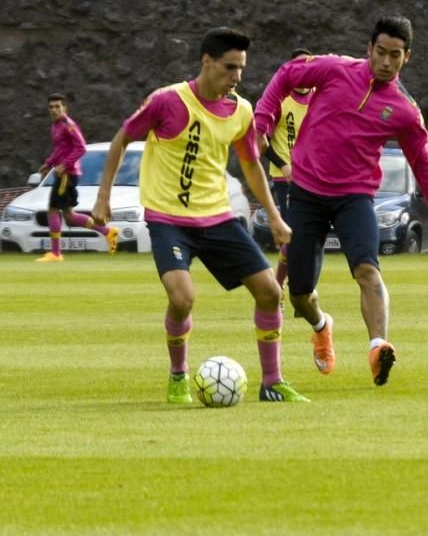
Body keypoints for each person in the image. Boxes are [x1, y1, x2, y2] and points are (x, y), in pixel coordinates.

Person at [91, 27, 310, 405]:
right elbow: (122, 138)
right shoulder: (166, 101)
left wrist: (274, 217)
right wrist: (102, 198)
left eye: (241, 68)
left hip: (218, 218)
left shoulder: (240, 111)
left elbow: (252, 165)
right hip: (168, 219)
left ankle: (272, 381)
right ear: (206, 62)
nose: (237, 76)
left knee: (271, 292)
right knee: (182, 298)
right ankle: (178, 376)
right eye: (229, 67)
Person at [254, 15, 428, 387]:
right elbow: (289, 73)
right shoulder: (334, 70)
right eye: (381, 52)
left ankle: (378, 346)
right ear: (369, 49)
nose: (386, 62)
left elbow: (424, 161)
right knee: (300, 295)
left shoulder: (404, 110)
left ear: (408, 57)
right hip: (304, 193)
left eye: (396, 55)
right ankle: (322, 326)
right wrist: (262, 121)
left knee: (368, 271)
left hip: (354, 198)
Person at [35, 93, 119, 263]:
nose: (53, 110)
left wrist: (64, 165)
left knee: (53, 209)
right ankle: (107, 232)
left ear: (64, 108)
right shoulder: (56, 126)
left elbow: (81, 148)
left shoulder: (68, 125)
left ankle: (56, 253)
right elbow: (60, 149)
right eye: (51, 107)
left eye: (57, 106)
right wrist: (49, 163)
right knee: (69, 215)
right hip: (64, 173)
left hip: (67, 174)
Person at [262, 48, 314, 290]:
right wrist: (283, 165)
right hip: (286, 179)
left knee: (305, 236)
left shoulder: (319, 97)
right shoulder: (281, 100)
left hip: (314, 178)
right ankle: (281, 284)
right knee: (294, 234)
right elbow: (261, 141)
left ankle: (292, 284)